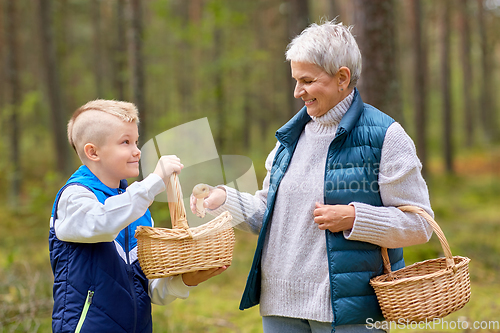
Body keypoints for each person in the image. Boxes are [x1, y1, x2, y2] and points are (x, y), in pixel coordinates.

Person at [191, 20, 434, 333]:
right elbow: (269, 213)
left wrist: (354, 218)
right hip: (279, 306)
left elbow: (420, 225)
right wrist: (225, 199)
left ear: (342, 78)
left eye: (307, 80)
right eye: (295, 80)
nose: (297, 92)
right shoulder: (289, 138)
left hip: (348, 313)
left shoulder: (386, 137)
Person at [49, 99, 227, 333]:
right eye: (125, 142)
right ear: (93, 152)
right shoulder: (74, 197)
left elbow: (148, 287)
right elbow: (101, 222)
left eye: (136, 141)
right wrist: (153, 182)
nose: (137, 150)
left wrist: (184, 281)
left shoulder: (137, 209)